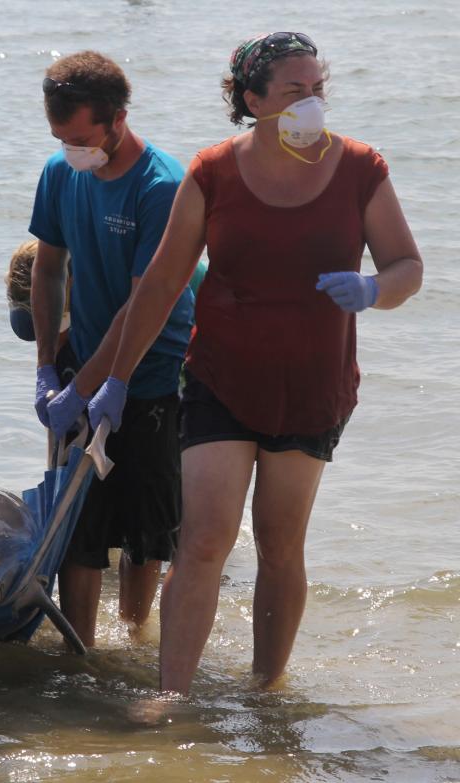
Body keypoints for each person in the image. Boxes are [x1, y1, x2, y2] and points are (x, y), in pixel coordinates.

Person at [83, 32, 423, 695]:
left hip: (314, 386)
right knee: (205, 537)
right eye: (296, 90)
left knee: (278, 543)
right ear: (252, 100)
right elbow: (158, 285)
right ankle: (170, 697)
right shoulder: (212, 172)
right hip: (221, 378)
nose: (312, 102)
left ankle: (266, 688)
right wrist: (115, 379)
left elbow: (407, 267)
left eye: (318, 88)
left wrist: (374, 290)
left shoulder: (361, 168)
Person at [29, 50, 195, 647]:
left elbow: (140, 305)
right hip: (82, 365)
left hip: (149, 376)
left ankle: (132, 639)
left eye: (79, 137)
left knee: (145, 534)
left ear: (117, 118)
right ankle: (80, 651)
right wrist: (48, 367)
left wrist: (93, 387)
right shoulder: (60, 171)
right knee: (78, 526)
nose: (71, 149)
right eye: (59, 137)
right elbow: (48, 270)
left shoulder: (162, 186)